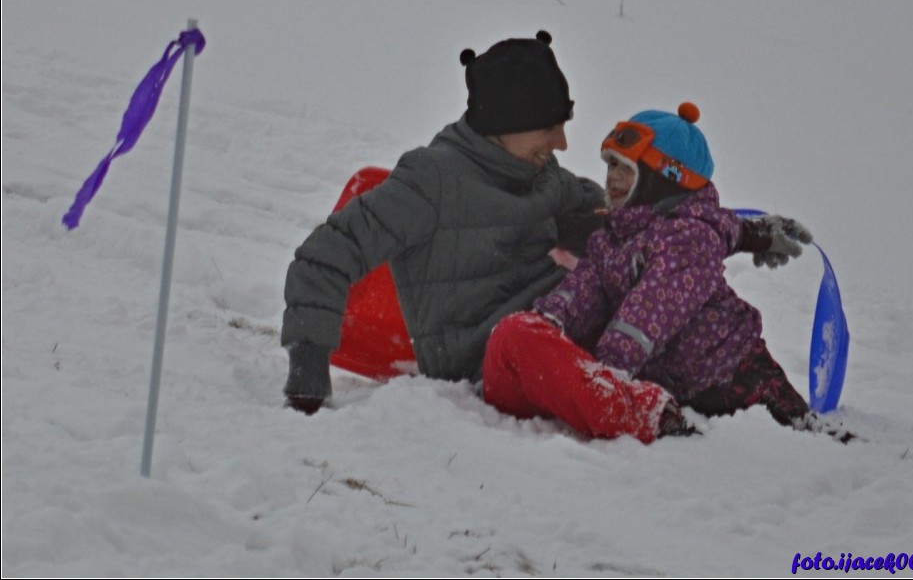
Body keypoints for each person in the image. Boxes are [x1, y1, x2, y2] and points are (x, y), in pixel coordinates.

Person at [281, 32, 811, 415]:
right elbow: (325, 256)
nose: (561, 143)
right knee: (638, 315)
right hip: (499, 349)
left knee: (679, 300)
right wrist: (309, 368)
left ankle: (758, 394)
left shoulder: (541, 175)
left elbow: (635, 223)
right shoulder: (431, 181)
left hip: (569, 318)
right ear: (506, 124)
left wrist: (744, 232)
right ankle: (677, 412)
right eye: (551, 127)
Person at [482, 102, 840, 443]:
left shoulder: (687, 239)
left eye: (627, 170)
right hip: (679, 380)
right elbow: (585, 288)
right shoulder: (616, 235)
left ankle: (834, 444)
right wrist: (550, 322)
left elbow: (646, 318)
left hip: (734, 377)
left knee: (797, 433)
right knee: (522, 333)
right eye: (611, 166)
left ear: (664, 179)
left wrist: (607, 376)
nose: (612, 179)